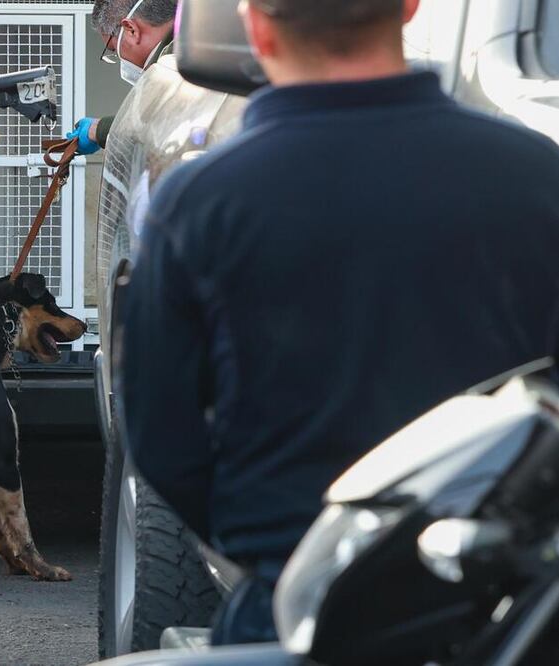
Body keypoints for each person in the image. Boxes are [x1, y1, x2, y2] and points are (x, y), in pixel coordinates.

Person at [122, 0, 559, 646]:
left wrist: (268, 544)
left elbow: (159, 436)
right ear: (409, 7)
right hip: (502, 615)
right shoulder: (538, 176)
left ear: (254, 23)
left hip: (286, 608)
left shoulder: (200, 204)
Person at [67, 0, 176, 155]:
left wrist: (97, 130)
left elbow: (159, 124)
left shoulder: (178, 63)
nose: (120, 59)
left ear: (131, 30)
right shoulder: (196, 42)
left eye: (113, 50)